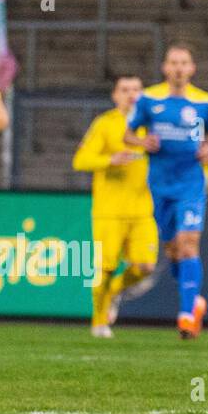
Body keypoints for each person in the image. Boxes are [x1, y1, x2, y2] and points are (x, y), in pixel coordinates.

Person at [123, 44, 208, 340]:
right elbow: (128, 134)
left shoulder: (204, 101)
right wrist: (143, 143)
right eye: (173, 62)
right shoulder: (149, 99)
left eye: (184, 63)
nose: (179, 68)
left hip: (192, 181)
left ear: (192, 69)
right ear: (165, 68)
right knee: (174, 250)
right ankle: (196, 301)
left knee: (189, 243)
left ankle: (187, 315)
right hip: (160, 183)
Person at [72, 75, 158, 338]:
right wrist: (111, 159)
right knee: (106, 268)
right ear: (115, 95)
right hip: (108, 210)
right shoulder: (105, 124)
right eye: (124, 89)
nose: (130, 94)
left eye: (135, 89)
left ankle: (114, 292)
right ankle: (99, 321)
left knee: (146, 267)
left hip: (142, 208)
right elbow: (81, 160)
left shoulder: (151, 125)